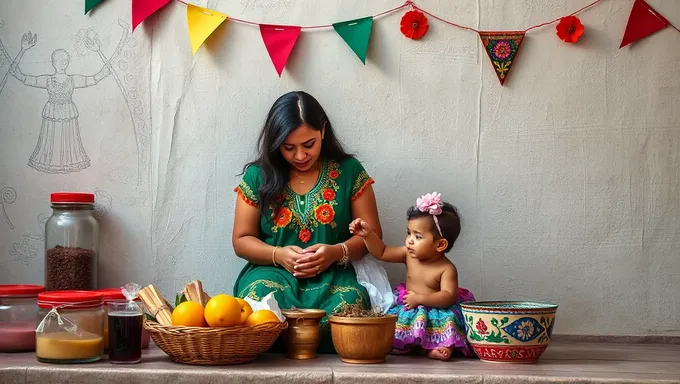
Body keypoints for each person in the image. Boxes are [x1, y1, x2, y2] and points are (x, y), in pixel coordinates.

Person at [232, 91, 382, 353]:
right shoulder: (259, 176)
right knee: (260, 302)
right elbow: (241, 240)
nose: (300, 155)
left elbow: (372, 237)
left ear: (323, 131)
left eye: (309, 144)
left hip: (333, 275)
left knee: (351, 303)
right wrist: (278, 255)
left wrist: (336, 252)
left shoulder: (349, 171)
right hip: (271, 272)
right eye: (289, 147)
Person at [349, 192, 475, 360]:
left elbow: (448, 296)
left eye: (417, 236)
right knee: (394, 319)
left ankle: (441, 346)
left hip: (436, 308)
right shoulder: (408, 254)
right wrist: (367, 235)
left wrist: (421, 299)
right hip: (410, 304)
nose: (409, 240)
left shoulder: (446, 269)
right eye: (409, 233)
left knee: (449, 321)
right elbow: (382, 251)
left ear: (440, 244)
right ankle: (409, 346)